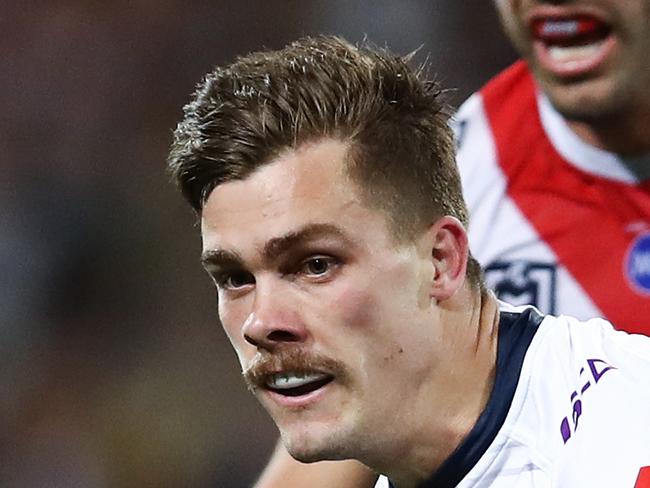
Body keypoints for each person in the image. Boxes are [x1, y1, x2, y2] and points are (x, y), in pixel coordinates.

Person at [167, 35, 650, 488]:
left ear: (441, 261)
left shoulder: (620, 452)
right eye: (235, 278)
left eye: (315, 264)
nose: (260, 322)